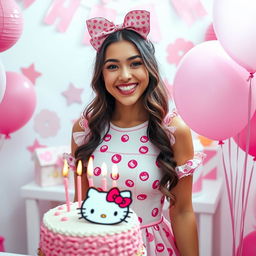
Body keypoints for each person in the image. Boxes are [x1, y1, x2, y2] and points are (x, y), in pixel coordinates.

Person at [65, 10, 204, 256]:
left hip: (153, 248)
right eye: (112, 66)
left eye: (135, 63)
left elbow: (182, 211)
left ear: (149, 68)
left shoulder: (173, 130)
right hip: (100, 248)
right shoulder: (85, 131)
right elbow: (81, 207)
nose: (125, 75)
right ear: (101, 74)